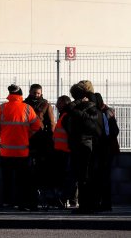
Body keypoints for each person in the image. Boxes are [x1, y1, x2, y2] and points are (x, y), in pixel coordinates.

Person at [0, 84, 41, 211]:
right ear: (21, 95)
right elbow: (37, 126)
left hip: (5, 151)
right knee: (23, 179)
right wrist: (26, 135)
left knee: (7, 178)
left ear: (9, 95)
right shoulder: (27, 108)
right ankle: (22, 202)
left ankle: (7, 202)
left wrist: (4, 136)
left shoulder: (2, 108)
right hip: (22, 151)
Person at [63, 81, 103, 214]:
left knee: (84, 176)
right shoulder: (81, 106)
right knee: (83, 176)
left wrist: (78, 112)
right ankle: (87, 205)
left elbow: (90, 120)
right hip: (81, 144)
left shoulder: (88, 106)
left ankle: (87, 205)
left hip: (84, 144)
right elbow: (68, 110)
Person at [24, 84, 56, 208]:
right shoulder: (25, 104)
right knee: (28, 171)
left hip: (41, 140)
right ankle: (30, 198)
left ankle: (41, 198)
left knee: (41, 171)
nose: (36, 95)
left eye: (38, 93)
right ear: (30, 92)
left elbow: (51, 123)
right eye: (34, 92)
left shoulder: (45, 104)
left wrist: (50, 139)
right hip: (27, 139)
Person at [93, 92, 119, 212]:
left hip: (105, 148)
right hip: (107, 148)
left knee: (102, 177)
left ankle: (104, 203)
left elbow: (113, 131)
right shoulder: (107, 111)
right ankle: (104, 203)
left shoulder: (105, 112)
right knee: (103, 177)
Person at [53, 95, 78, 209]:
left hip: (66, 151)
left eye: (59, 103)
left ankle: (68, 200)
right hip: (62, 151)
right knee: (67, 177)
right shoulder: (64, 115)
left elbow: (70, 134)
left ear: (64, 103)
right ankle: (68, 200)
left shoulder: (66, 116)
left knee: (69, 177)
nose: (57, 105)